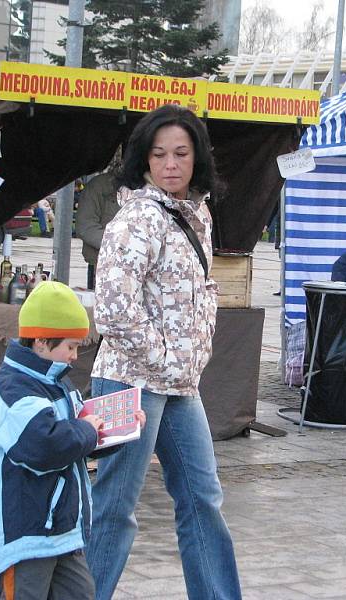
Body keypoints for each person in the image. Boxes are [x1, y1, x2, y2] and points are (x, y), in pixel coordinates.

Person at [87, 105, 242, 600]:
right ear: (144, 160)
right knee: (114, 506)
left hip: (179, 386)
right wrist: (168, 357)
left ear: (197, 158)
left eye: (181, 153)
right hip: (126, 382)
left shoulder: (196, 214)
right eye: (159, 155)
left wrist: (196, 347)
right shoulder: (135, 218)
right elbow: (112, 310)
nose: (170, 164)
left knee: (203, 499)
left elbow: (205, 286)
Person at [0, 281, 136, 600]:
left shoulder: (54, 382)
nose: (75, 356)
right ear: (43, 342)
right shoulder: (15, 391)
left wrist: (118, 430)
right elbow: (46, 446)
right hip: (25, 538)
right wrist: (88, 431)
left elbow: (75, 439)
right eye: (71, 346)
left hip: (62, 532)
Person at [75, 169, 121, 289]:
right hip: (102, 263)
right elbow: (85, 226)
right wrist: (120, 246)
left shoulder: (151, 187)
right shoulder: (100, 185)